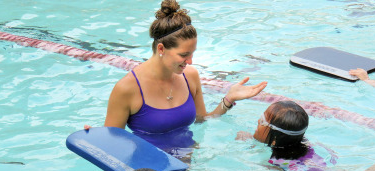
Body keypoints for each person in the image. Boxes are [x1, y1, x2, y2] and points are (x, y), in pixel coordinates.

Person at [99, 0, 267, 152]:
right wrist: (95, 141)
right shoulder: (127, 89)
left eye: (192, 53)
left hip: (188, 165)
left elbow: (203, 119)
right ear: (161, 49)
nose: (191, 61)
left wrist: (228, 100)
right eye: (184, 55)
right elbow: (111, 146)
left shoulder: (190, 76)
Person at [236, 101, 328, 171]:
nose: (258, 121)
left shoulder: (283, 161)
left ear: (274, 141)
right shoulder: (297, 141)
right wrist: (251, 138)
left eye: (263, 121)